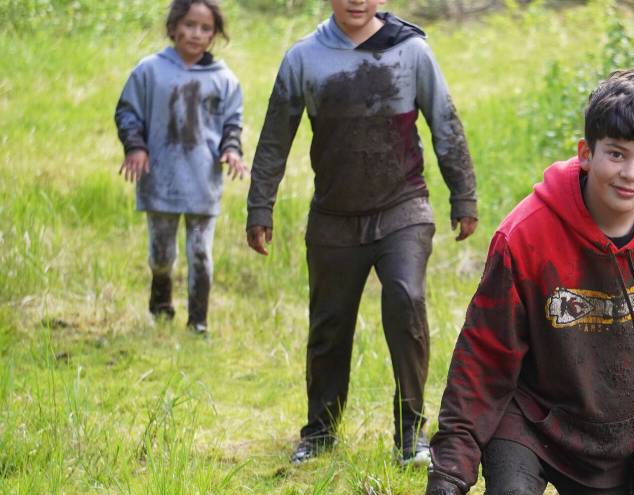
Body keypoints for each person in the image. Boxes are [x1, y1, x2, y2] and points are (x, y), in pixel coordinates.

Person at [424, 69, 634, 495]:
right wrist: (455, 459)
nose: (630, 173)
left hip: (604, 437)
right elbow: (483, 351)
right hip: (528, 419)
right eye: (615, 153)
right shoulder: (526, 234)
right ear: (586, 152)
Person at [246, 0, 478, 465]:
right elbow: (275, 136)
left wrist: (463, 196)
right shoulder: (303, 58)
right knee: (329, 324)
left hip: (403, 208)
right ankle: (320, 433)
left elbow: (445, 123)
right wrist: (260, 207)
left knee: (406, 299)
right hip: (334, 217)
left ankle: (411, 435)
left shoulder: (411, 52)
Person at [115, 0, 246, 334]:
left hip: (202, 180)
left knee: (200, 252)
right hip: (160, 178)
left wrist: (231, 150)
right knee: (162, 254)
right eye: (189, 24)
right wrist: (136, 147)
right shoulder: (149, 71)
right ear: (173, 27)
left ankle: (198, 322)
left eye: (205, 28)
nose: (196, 34)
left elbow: (232, 123)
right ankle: (161, 305)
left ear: (215, 35)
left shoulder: (224, 79)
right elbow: (127, 112)